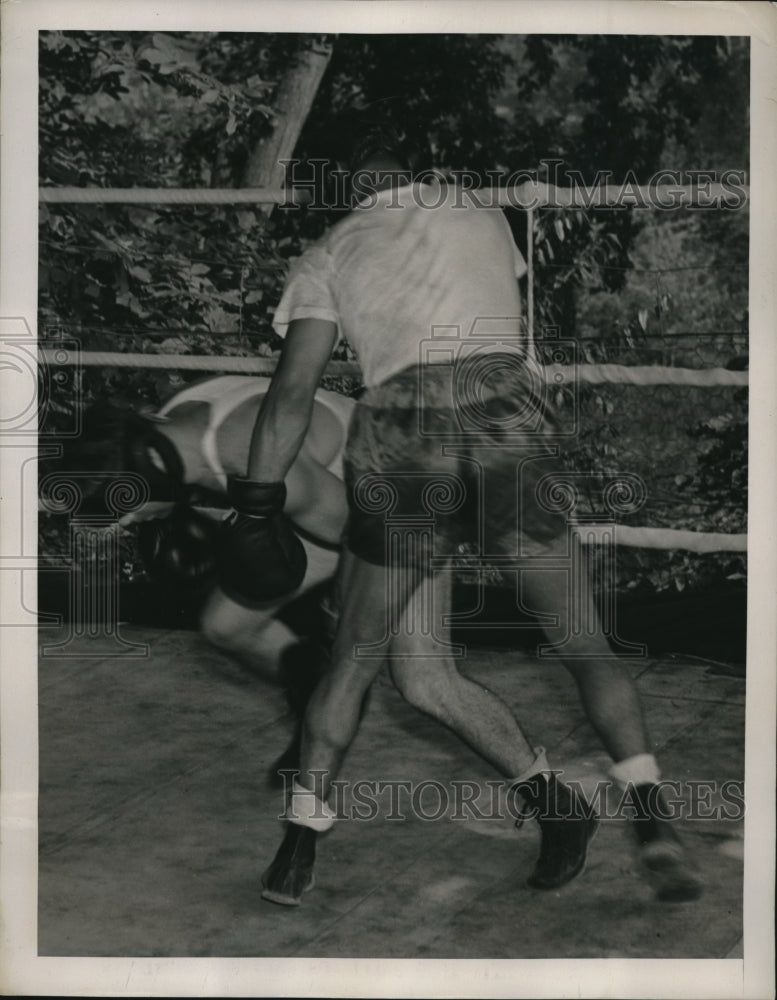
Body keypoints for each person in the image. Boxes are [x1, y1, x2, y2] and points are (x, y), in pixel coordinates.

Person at [219, 114, 704, 908]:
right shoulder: (482, 211)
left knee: (355, 656)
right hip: (501, 410)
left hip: (403, 433)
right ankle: (653, 821)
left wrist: (255, 503)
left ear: (343, 189)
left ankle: (299, 846)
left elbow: (293, 393)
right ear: (414, 170)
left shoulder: (330, 250)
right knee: (579, 639)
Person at [63, 375, 355, 775]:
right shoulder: (176, 419)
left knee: (417, 678)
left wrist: (347, 615)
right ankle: (313, 692)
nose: (131, 524)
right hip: (318, 502)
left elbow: (373, 535)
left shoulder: (256, 463)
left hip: (389, 507)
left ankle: (336, 701)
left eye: (127, 514)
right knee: (226, 626)